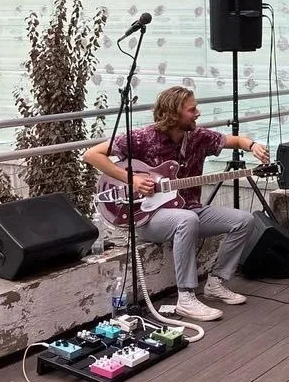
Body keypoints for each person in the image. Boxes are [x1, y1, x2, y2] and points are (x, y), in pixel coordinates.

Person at [83, 86, 271, 322]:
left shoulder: (198, 137)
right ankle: (186, 297)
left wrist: (252, 145)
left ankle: (215, 283)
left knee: (244, 220)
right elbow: (91, 155)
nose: (197, 113)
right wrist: (132, 179)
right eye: (192, 109)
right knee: (187, 220)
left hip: (190, 208)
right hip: (148, 217)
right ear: (174, 113)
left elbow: (233, 141)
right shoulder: (143, 138)